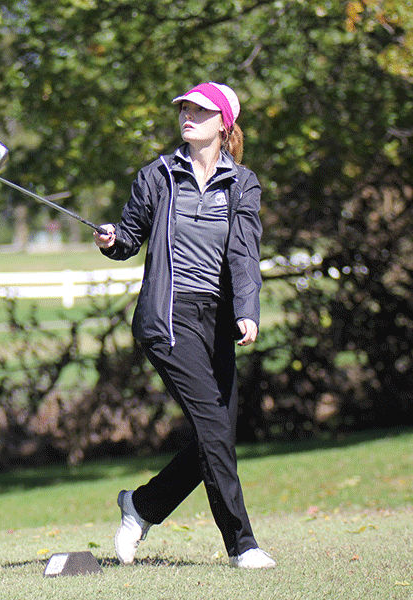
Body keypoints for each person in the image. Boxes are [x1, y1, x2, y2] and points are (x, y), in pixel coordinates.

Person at [94, 82, 275, 569]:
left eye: (200, 110)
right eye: (184, 109)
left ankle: (144, 506)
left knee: (214, 436)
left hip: (217, 322)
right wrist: (113, 240)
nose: (188, 116)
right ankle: (243, 545)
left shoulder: (243, 183)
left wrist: (247, 309)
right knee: (214, 430)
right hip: (167, 319)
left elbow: (244, 252)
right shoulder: (157, 175)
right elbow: (130, 236)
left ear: (224, 124)